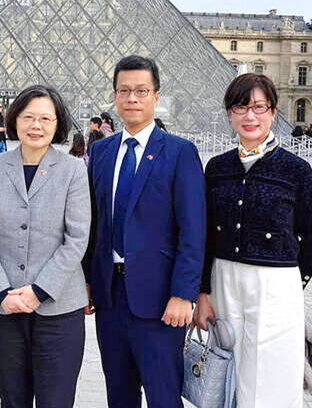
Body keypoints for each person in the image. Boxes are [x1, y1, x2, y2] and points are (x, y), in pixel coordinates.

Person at [193, 73, 312, 408]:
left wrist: (293, 281)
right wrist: (203, 290)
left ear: (272, 112)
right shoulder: (217, 168)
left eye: (258, 107)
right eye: (241, 108)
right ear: (229, 114)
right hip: (224, 280)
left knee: (273, 377)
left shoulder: (296, 169)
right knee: (230, 372)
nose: (250, 116)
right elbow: (206, 235)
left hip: (276, 283)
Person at [83, 55, 205, 408]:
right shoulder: (102, 151)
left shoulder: (180, 152)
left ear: (156, 96)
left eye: (141, 91)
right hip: (110, 295)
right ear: (115, 96)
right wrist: (89, 279)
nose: (132, 98)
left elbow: (193, 230)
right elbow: (95, 224)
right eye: (124, 91)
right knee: (119, 396)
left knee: (163, 396)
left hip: (161, 300)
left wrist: (184, 293)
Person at [0, 85, 91, 408]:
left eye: (45, 119)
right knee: (12, 399)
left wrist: (39, 290)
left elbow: (76, 238)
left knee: (56, 401)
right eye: (28, 117)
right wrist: (1, 291)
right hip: (4, 306)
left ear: (57, 124)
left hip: (59, 309)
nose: (36, 126)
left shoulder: (73, 170)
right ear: (15, 120)